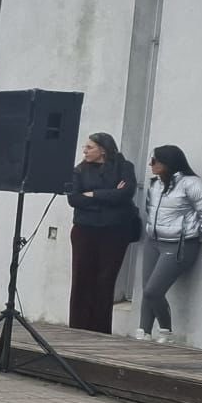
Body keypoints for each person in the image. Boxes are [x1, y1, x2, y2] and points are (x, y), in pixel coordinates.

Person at [134, 145, 202, 343]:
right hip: (153, 241)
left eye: (155, 161)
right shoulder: (155, 184)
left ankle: (166, 331)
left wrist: (192, 237)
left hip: (178, 244)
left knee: (153, 290)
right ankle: (143, 332)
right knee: (146, 289)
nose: (151, 164)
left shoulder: (191, 183)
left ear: (168, 163)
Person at [65, 132, 138, 334]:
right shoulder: (79, 171)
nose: (85, 151)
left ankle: (100, 329)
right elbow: (74, 199)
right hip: (85, 230)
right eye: (85, 148)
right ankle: (78, 328)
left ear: (103, 149)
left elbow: (126, 194)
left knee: (105, 280)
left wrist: (94, 195)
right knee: (82, 278)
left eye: (89, 147)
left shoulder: (124, 167)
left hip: (115, 231)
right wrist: (110, 195)